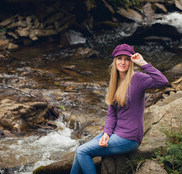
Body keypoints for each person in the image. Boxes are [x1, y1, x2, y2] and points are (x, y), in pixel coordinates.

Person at [70, 44, 169, 174]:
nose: (123, 62)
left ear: (131, 62)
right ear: (114, 61)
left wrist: (143, 63)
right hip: (117, 133)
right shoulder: (114, 82)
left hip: (129, 137)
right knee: (80, 152)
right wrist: (106, 133)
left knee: (82, 151)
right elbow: (112, 114)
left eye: (127, 59)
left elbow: (163, 81)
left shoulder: (138, 79)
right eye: (119, 58)